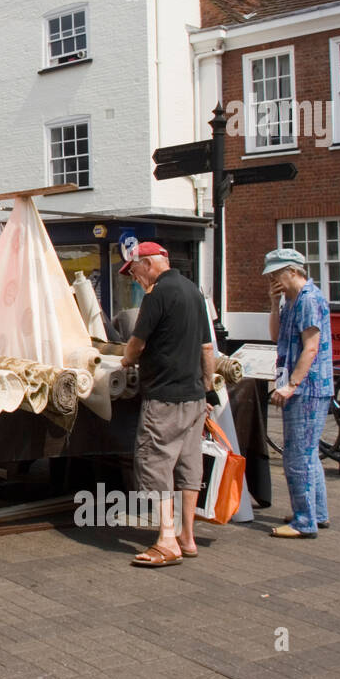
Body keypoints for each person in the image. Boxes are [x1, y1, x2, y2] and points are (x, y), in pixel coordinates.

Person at [119, 242, 215, 568]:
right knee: (189, 466)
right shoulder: (192, 291)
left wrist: (126, 359)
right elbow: (206, 348)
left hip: (164, 398)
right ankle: (187, 537)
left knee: (155, 463)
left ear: (147, 263)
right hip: (194, 397)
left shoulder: (157, 294)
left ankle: (166, 540)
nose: (135, 279)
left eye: (134, 271)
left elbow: (136, 344)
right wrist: (208, 388)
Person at [265, 248, 333, 538]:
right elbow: (275, 336)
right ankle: (316, 513)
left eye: (276, 273)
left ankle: (304, 522)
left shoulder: (308, 299)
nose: (272, 278)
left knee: (297, 456)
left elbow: (311, 347)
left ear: (293, 271)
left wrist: (291, 385)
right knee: (308, 454)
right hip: (304, 387)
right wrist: (273, 302)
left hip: (307, 389)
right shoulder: (292, 300)